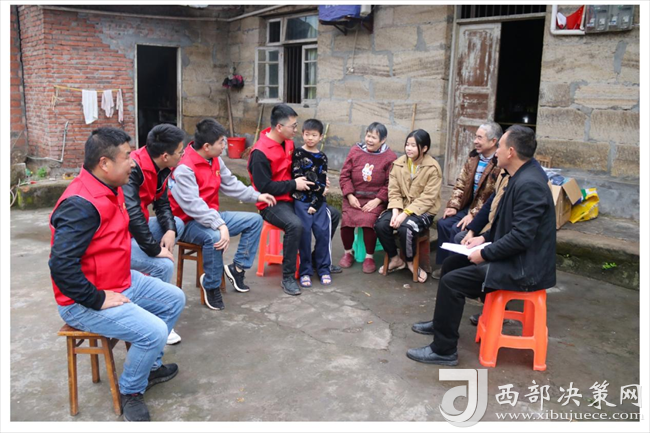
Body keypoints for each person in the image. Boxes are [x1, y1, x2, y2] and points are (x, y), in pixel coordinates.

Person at [49, 127, 185, 421]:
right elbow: (60, 266)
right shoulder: (80, 205)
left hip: (120, 279)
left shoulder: (115, 187)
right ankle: (131, 390)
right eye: (126, 156)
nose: (133, 162)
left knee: (174, 298)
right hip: (82, 301)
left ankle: (149, 368)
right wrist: (96, 299)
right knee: (153, 332)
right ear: (104, 163)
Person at [407, 125, 556, 366]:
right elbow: (505, 223)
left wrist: (485, 253)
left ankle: (444, 350)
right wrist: (483, 238)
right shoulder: (517, 175)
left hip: (523, 268)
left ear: (511, 152)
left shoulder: (530, 184)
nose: (496, 152)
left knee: (452, 282)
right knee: (452, 264)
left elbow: (521, 237)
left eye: (500, 146)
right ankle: (441, 324)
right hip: (514, 256)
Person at [169, 119, 276, 311]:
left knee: (254, 220)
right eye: (221, 142)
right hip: (187, 223)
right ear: (207, 146)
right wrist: (220, 225)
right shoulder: (184, 167)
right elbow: (194, 206)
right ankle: (211, 285)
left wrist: (257, 195)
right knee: (215, 237)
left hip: (212, 217)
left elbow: (230, 183)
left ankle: (237, 268)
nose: (224, 146)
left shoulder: (215, 159)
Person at [247, 104, 341, 296]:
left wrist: (318, 180)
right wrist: (293, 184)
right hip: (271, 202)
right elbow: (264, 187)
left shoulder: (289, 144)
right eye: (294, 126)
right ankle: (288, 276)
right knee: (295, 225)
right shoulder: (259, 153)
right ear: (279, 127)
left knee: (333, 214)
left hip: (295, 197)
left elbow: (300, 170)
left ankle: (317, 260)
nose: (297, 130)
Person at [123, 124, 186, 345]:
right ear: (165, 155)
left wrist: (169, 230)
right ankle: (157, 316)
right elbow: (132, 215)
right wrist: (153, 250)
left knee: (178, 224)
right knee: (164, 264)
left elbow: (162, 203)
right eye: (180, 152)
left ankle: (150, 286)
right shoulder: (135, 169)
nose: (183, 155)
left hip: (136, 230)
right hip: (122, 237)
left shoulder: (162, 169)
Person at [433, 121, 502, 277]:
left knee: (457, 229)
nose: (475, 141)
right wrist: (454, 205)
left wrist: (473, 214)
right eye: (475, 137)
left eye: (479, 138)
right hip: (468, 207)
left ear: (493, 141)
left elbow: (491, 196)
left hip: (484, 212)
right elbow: (461, 183)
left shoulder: (499, 163)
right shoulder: (473, 158)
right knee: (443, 223)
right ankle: (445, 265)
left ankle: (457, 270)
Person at [374, 129, 442, 283]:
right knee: (381, 224)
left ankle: (411, 262)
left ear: (424, 148)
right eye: (407, 145)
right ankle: (395, 258)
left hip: (423, 210)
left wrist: (405, 214)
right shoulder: (398, 164)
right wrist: (396, 211)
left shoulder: (433, 168)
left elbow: (428, 198)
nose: (408, 148)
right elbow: (393, 190)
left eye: (413, 145)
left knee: (406, 228)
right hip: (401, 206)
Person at [338, 122, 397, 274]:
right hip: (354, 197)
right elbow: (344, 175)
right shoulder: (355, 151)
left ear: (383, 140)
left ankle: (369, 257)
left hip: (375, 200)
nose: (369, 140)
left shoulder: (390, 157)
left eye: (374, 137)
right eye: (368, 136)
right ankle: (348, 252)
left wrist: (377, 200)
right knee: (346, 221)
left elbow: (391, 183)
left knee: (369, 221)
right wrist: (350, 195)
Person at [291, 119, 333, 287]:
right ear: (302, 134)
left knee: (323, 233)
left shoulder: (322, 157)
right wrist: (319, 188)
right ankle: (305, 271)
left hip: (318, 202)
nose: (310, 138)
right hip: (301, 200)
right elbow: (298, 178)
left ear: (321, 137)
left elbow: (322, 181)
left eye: (314, 135)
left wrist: (316, 203)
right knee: (305, 234)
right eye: (307, 134)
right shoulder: (298, 153)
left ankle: (324, 269)